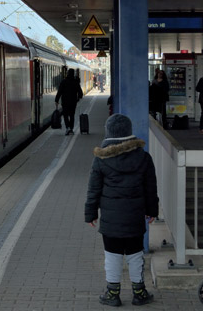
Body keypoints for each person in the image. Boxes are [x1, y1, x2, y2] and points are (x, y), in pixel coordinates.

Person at [85, 113, 158, 307]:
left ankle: (113, 293)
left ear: (109, 133)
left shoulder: (100, 159)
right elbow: (151, 188)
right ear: (129, 132)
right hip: (134, 217)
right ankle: (139, 292)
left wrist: (90, 214)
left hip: (111, 219)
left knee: (112, 255)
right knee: (135, 255)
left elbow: (93, 190)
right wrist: (152, 211)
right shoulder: (143, 158)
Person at [55, 68, 83, 135]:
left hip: (65, 102)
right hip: (73, 102)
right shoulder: (76, 82)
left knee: (65, 115)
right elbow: (80, 93)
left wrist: (56, 100)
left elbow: (59, 92)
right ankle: (71, 128)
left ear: (67, 73)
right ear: (73, 74)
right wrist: (78, 97)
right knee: (72, 115)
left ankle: (67, 128)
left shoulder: (64, 82)